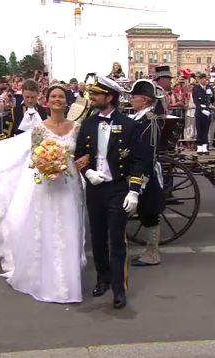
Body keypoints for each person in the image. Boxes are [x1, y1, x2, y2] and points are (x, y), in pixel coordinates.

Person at [0, 83, 86, 304]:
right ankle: (46, 276)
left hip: (70, 184)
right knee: (47, 227)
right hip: (47, 185)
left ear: (66, 101)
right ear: (46, 101)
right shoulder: (39, 128)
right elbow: (35, 158)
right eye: (53, 96)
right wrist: (48, 166)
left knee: (69, 227)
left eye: (61, 96)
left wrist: (77, 163)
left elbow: (82, 154)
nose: (57, 100)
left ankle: (68, 278)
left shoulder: (76, 127)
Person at [74, 76, 146, 309]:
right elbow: (79, 156)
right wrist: (87, 173)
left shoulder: (130, 125)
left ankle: (118, 288)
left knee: (116, 239)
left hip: (117, 188)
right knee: (97, 238)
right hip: (95, 188)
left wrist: (133, 191)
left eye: (97, 94)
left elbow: (138, 162)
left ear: (110, 97)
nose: (92, 97)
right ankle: (102, 278)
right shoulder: (88, 123)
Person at [126, 79, 167, 267]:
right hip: (138, 168)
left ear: (144, 100)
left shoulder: (149, 120)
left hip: (146, 170)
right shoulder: (138, 118)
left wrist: (140, 180)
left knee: (149, 212)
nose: (131, 100)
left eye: (134, 97)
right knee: (145, 212)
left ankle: (152, 253)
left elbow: (147, 152)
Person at [192, 72, 214, 154]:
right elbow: (196, 101)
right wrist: (201, 109)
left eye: (206, 79)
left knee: (206, 129)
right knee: (199, 129)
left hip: (207, 110)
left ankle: (205, 146)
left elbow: (213, 100)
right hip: (200, 111)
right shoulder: (196, 88)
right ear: (200, 80)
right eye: (204, 79)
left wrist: (211, 96)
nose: (205, 81)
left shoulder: (209, 88)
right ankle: (199, 147)